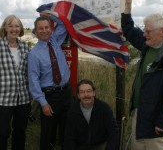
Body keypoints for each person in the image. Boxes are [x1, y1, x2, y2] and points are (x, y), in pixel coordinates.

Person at [120, 0, 163, 150]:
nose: (144, 34)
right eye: (144, 30)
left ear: (162, 32)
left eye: (148, 31)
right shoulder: (148, 46)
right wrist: (128, 6)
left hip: (156, 121)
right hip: (140, 114)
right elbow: (129, 30)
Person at [27, 16, 73, 150]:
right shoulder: (34, 54)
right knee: (48, 133)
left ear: (51, 29)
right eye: (40, 28)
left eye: (47, 27)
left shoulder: (56, 41)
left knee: (68, 127)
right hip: (50, 97)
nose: (44, 31)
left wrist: (51, 13)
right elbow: (33, 80)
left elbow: (63, 24)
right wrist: (43, 102)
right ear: (35, 31)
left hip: (66, 92)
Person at [0, 15, 31, 150]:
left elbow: (30, 71)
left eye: (17, 26)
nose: (14, 29)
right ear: (5, 28)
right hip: (3, 99)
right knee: (2, 132)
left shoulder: (25, 47)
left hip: (23, 98)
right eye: (11, 26)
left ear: (21, 28)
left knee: (20, 131)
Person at [64, 79, 119, 150]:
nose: (86, 94)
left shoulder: (104, 108)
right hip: (81, 147)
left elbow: (113, 132)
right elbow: (69, 139)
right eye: (82, 92)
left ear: (94, 93)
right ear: (78, 95)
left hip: (101, 145)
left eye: (89, 91)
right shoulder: (72, 112)